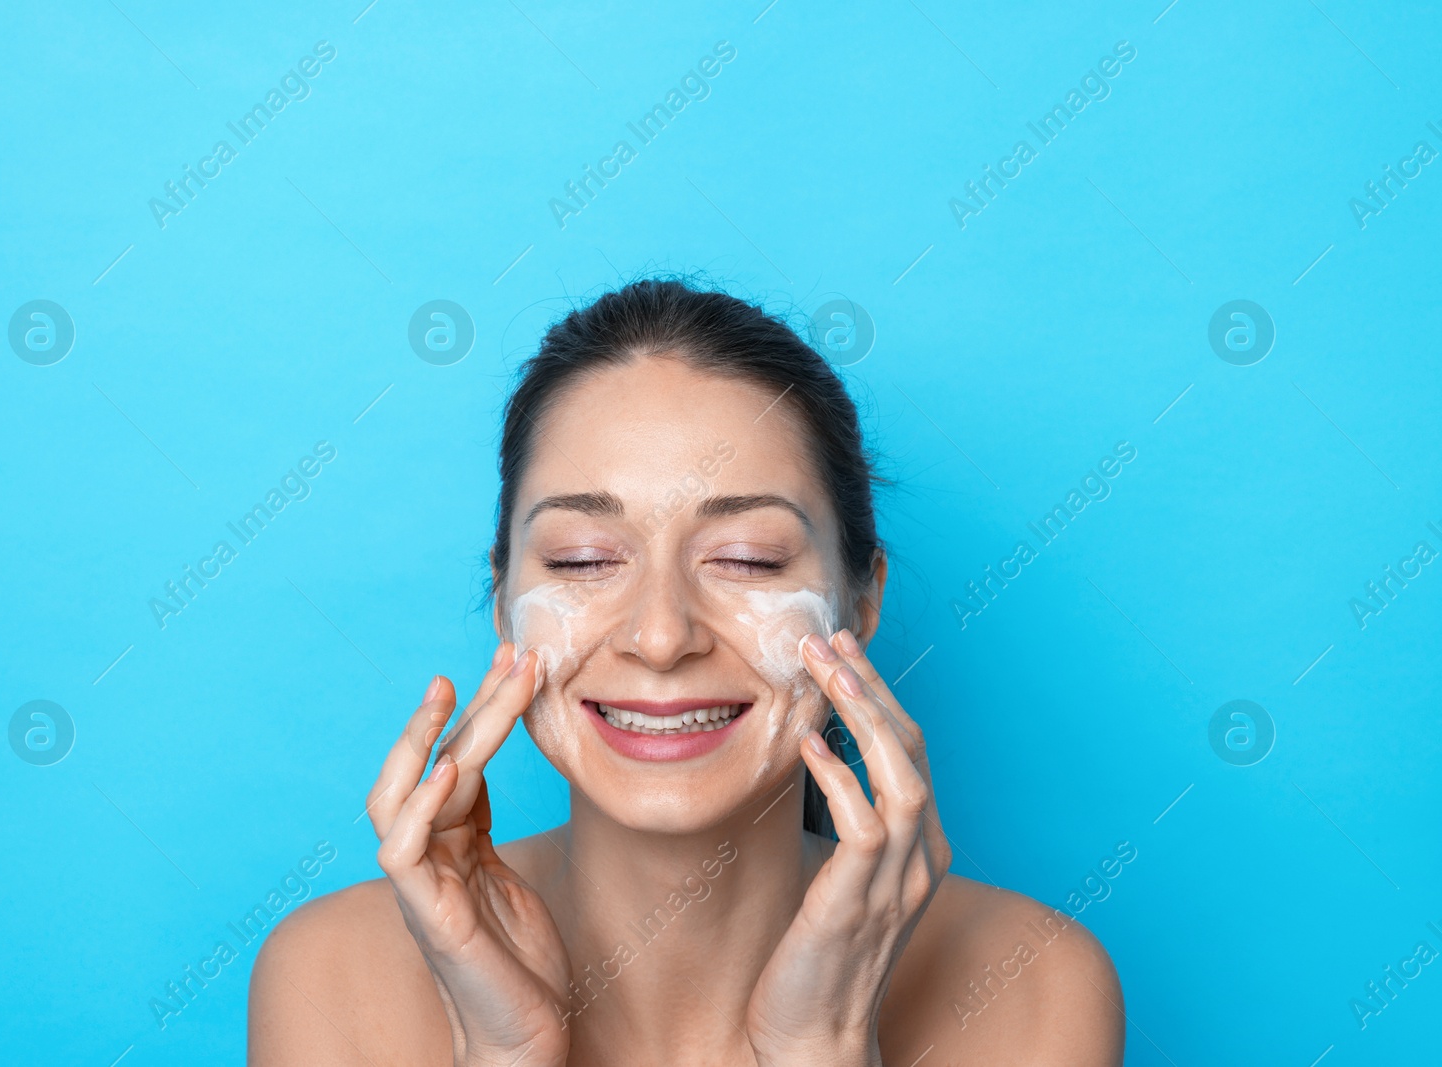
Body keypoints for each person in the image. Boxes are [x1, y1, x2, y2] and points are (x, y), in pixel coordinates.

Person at [248, 279, 1124, 1065]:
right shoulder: (335, 975)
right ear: (502, 599)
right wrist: (506, 1053)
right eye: (586, 559)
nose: (661, 635)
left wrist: (823, 1049)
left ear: (861, 602)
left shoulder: (1032, 981)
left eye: (746, 558)